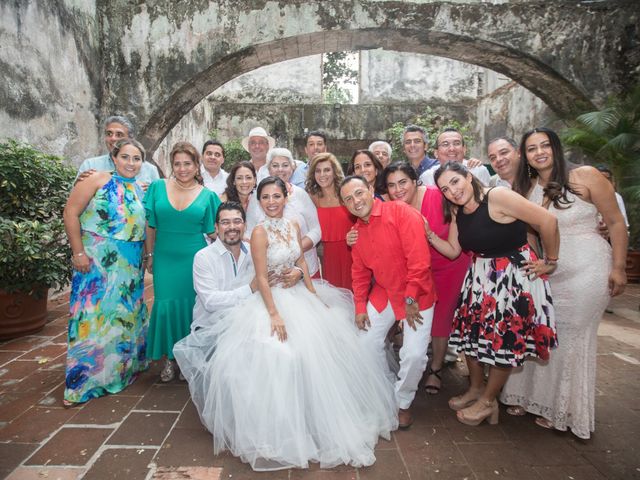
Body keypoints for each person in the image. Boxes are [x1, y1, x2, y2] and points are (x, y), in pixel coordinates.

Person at [176, 177, 398, 471]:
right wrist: (274, 314)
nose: (271, 201)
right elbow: (262, 278)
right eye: (265, 197)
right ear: (259, 201)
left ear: (285, 198)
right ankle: (280, 426)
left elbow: (303, 261)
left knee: (322, 352)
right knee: (279, 355)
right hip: (272, 301)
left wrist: (312, 292)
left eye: (276, 196)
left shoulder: (294, 224)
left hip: (298, 296)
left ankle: (318, 417)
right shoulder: (257, 232)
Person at [500, 128, 628, 439]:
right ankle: (531, 398)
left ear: (556, 148)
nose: (539, 152)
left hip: (589, 268)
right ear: (525, 155)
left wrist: (619, 267)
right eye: (532, 148)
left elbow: (614, 222)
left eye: (545, 145)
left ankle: (564, 409)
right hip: (548, 270)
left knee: (572, 338)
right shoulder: (527, 186)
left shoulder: (586, 176)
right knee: (545, 331)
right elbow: (530, 232)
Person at [425, 161, 559, 426]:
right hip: (481, 277)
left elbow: (548, 220)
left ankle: (488, 401)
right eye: (445, 189)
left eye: (455, 182)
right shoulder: (457, 209)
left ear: (467, 175)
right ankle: (476, 389)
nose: (452, 191)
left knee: (503, 342)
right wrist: (429, 235)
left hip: (512, 277)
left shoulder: (497, 195)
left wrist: (551, 260)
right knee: (472, 337)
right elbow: (453, 250)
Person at [340, 175, 437, 429]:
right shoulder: (356, 233)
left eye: (359, 193)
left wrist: (410, 298)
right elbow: (359, 274)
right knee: (364, 344)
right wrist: (360, 306)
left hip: (417, 296)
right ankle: (382, 389)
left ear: (371, 189)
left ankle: (402, 402)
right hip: (384, 294)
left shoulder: (402, 212)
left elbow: (420, 261)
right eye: (348, 199)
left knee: (414, 354)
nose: (356, 201)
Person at [62, 139, 149, 406]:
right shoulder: (96, 179)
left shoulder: (139, 189)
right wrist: (78, 252)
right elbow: (70, 212)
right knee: (92, 317)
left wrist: (146, 257)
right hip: (96, 261)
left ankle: (119, 372)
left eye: (136, 159)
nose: (131, 163)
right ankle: (84, 382)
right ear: (114, 158)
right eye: (125, 157)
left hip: (129, 264)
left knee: (122, 317)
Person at [383, 162, 471, 394]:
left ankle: (436, 368)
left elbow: (457, 230)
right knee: (418, 314)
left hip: (449, 264)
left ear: (415, 181)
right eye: (391, 185)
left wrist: (430, 234)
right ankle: (414, 358)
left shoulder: (438, 196)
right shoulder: (392, 208)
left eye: (403, 182)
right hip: (418, 270)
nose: (398, 189)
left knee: (441, 319)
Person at [144, 141, 221, 382]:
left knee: (192, 307)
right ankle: (168, 358)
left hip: (194, 258)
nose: (182, 168)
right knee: (166, 306)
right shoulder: (157, 187)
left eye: (187, 163)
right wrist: (150, 254)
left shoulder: (208, 196)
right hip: (165, 257)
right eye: (177, 164)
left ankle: (188, 357)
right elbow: (150, 225)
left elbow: (214, 232)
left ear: (196, 165)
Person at [247, 147, 322, 277]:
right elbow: (249, 232)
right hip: (270, 272)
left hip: (305, 268)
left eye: (285, 165)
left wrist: (292, 251)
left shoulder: (301, 194)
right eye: (275, 165)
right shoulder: (256, 197)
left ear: (292, 169)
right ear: (269, 169)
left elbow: (316, 229)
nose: (280, 169)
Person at [306, 152, 354, 290]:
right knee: (334, 294)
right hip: (327, 255)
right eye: (318, 171)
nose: (322, 175)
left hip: (351, 251)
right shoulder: (312, 197)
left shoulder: (346, 192)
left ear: (334, 172)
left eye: (327, 170)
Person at [76, 115, 160, 187]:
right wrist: (79, 185)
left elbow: (157, 202)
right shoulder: (90, 165)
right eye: (109, 134)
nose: (113, 138)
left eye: (119, 135)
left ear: (130, 139)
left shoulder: (150, 170)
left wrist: (152, 194)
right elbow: (75, 199)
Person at [420, 128, 491, 187]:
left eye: (456, 143)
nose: (452, 149)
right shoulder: (428, 177)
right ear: (436, 153)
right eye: (445, 144)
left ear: (464, 149)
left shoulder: (478, 171)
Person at [595, 164, 630, 229]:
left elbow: (624, 223)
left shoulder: (616, 197)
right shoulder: (584, 197)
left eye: (607, 178)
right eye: (600, 178)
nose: (603, 181)